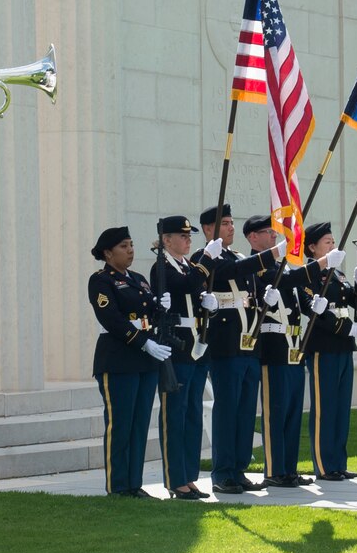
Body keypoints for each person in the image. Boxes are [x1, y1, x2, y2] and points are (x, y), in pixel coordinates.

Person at [89, 225, 170, 497]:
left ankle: (134, 484)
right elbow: (111, 319)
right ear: (108, 252)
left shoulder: (138, 279)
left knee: (139, 425)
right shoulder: (101, 280)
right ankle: (118, 485)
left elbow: (150, 313)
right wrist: (142, 342)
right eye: (124, 246)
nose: (130, 250)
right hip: (119, 359)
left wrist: (163, 307)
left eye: (132, 244)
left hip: (145, 360)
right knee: (120, 424)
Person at [192, 203, 265, 493]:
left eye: (233, 223)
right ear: (209, 229)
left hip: (248, 345)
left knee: (246, 410)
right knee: (227, 410)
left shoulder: (236, 255)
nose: (232, 227)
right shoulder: (205, 258)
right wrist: (271, 254)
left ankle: (238, 469)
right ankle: (222, 473)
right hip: (225, 345)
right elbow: (234, 270)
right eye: (225, 224)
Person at [149, 215, 210, 500]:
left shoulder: (188, 267)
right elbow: (186, 285)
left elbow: (195, 289)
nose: (188, 240)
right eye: (182, 236)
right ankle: (175, 478)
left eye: (189, 236)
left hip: (196, 345)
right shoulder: (162, 267)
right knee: (175, 414)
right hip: (177, 346)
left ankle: (189, 475)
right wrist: (207, 261)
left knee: (193, 414)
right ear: (166, 240)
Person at [248, 216, 310, 488]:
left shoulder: (278, 265)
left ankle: (288, 468)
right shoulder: (256, 267)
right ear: (253, 238)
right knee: (276, 410)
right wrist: (318, 266)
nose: (274, 236)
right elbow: (280, 283)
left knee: (293, 411)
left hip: (293, 347)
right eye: (267, 232)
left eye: (274, 232)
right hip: (273, 347)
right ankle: (274, 469)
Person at [301, 222, 357, 481]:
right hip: (322, 347)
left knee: (340, 408)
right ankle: (324, 466)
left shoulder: (338, 275)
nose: (332, 245)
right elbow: (313, 311)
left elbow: (353, 302)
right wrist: (347, 329)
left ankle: (338, 462)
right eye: (327, 242)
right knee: (324, 409)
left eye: (333, 241)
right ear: (313, 248)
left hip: (343, 347)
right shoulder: (308, 274)